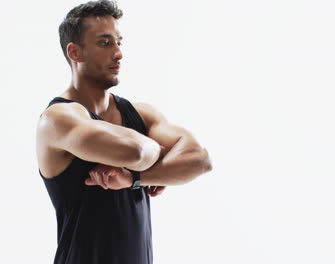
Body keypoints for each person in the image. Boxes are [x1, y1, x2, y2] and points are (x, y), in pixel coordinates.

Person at [36, 0, 212, 263]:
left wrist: (134, 179)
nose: (118, 53)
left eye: (119, 42)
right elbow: (137, 151)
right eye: (106, 43)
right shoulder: (58, 119)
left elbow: (200, 159)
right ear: (75, 52)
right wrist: (160, 155)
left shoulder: (141, 114)